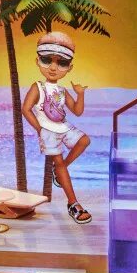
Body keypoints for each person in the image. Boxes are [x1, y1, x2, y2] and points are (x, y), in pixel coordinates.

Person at [22, 31, 92, 224]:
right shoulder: (38, 87)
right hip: (48, 130)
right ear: (38, 61)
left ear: (69, 67)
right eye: (47, 60)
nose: (53, 67)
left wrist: (80, 94)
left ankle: (59, 171)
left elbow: (77, 111)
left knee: (84, 140)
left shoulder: (62, 90)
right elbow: (26, 109)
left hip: (63, 126)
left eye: (61, 63)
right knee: (59, 163)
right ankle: (73, 204)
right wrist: (40, 129)